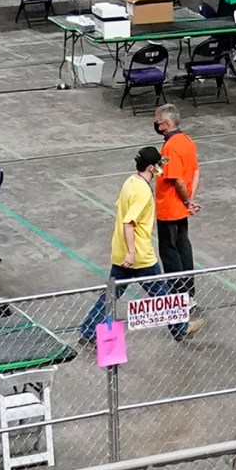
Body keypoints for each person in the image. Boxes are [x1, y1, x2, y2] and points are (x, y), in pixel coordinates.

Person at [80, 146, 180, 343]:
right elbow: (128, 222)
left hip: (120, 252)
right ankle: (181, 328)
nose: (161, 167)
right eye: (159, 164)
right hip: (140, 256)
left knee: (110, 296)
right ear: (151, 168)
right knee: (162, 295)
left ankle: (89, 329)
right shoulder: (143, 191)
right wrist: (132, 252)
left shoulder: (130, 182)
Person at [152, 105, 202, 317]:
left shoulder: (170, 147)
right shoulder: (187, 142)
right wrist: (190, 201)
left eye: (157, 120)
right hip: (181, 208)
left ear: (166, 124)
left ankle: (179, 296)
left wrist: (185, 198)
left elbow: (178, 179)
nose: (155, 124)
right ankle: (189, 294)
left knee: (170, 251)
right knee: (184, 247)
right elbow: (195, 172)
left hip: (169, 209)